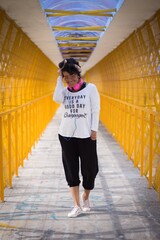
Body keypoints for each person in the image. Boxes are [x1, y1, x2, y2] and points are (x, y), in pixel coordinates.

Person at [53, 58, 100, 218]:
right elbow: (57, 99)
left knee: (90, 169)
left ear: (79, 74)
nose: (70, 79)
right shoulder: (64, 92)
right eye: (66, 76)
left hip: (86, 135)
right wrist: (59, 79)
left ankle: (86, 196)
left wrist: (94, 129)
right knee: (71, 170)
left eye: (72, 75)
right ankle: (76, 205)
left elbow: (96, 110)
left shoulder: (91, 89)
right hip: (66, 136)